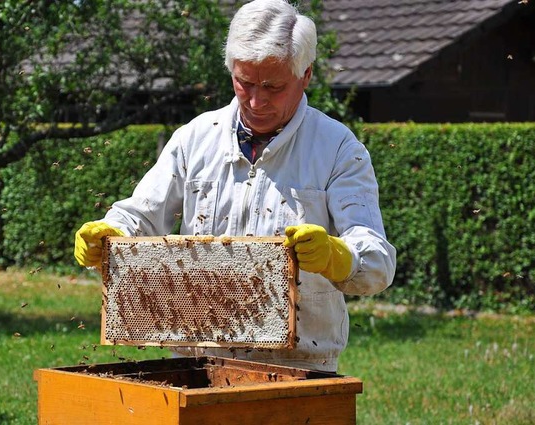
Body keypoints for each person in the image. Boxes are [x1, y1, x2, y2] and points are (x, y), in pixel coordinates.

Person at [74, 0, 396, 372]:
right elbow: (141, 216)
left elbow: (378, 263)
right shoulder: (194, 138)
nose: (256, 100)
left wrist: (337, 257)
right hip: (196, 363)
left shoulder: (339, 149)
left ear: (305, 75)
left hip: (298, 366)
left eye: (273, 86)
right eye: (244, 83)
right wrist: (112, 233)